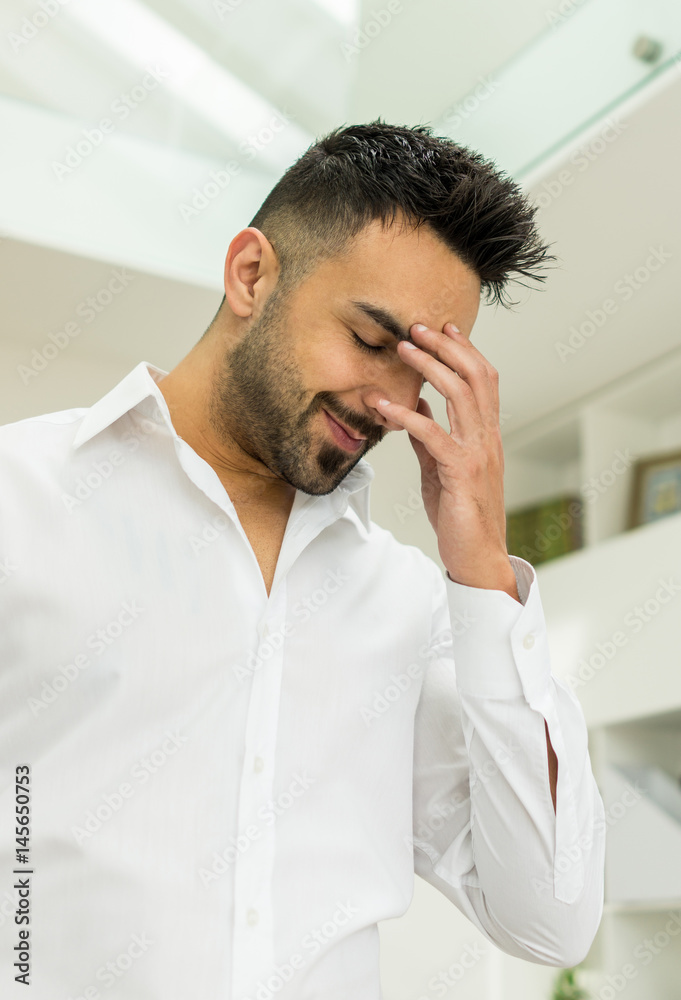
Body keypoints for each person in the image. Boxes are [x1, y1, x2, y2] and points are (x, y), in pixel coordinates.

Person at [0, 120, 604, 1000]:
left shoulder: (412, 605)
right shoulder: (20, 498)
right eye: (369, 341)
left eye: (423, 375)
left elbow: (549, 918)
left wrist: (480, 572)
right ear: (252, 274)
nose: (393, 405)